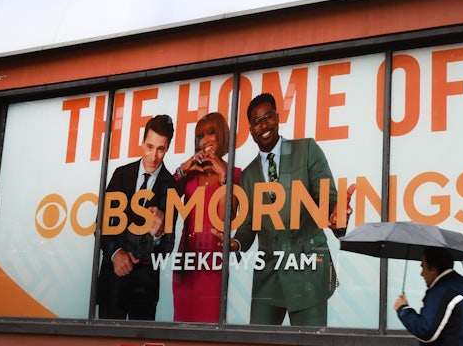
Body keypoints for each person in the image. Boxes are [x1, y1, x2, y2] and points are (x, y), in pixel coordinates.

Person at [227, 93, 339, 326]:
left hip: (307, 269)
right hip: (268, 275)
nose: (264, 125)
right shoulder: (248, 175)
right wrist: (235, 243)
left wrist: (332, 214)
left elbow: (327, 197)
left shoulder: (306, 149)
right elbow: (247, 225)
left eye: (268, 118)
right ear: (251, 130)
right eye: (257, 122)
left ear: (277, 118)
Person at [96, 114, 177, 321]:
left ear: (168, 148)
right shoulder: (120, 174)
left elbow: (167, 247)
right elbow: (101, 224)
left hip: (144, 289)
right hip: (112, 282)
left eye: (161, 149)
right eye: (150, 147)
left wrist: (159, 234)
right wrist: (115, 254)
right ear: (142, 142)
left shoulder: (171, 186)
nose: (153, 157)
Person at [170, 112, 240, 323]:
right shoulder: (190, 173)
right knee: (180, 330)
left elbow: (228, 218)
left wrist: (223, 176)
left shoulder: (235, 174)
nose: (205, 140)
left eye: (211, 133)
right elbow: (163, 200)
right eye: (200, 135)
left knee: (208, 329)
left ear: (222, 137)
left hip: (213, 265)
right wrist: (183, 168)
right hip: (185, 264)